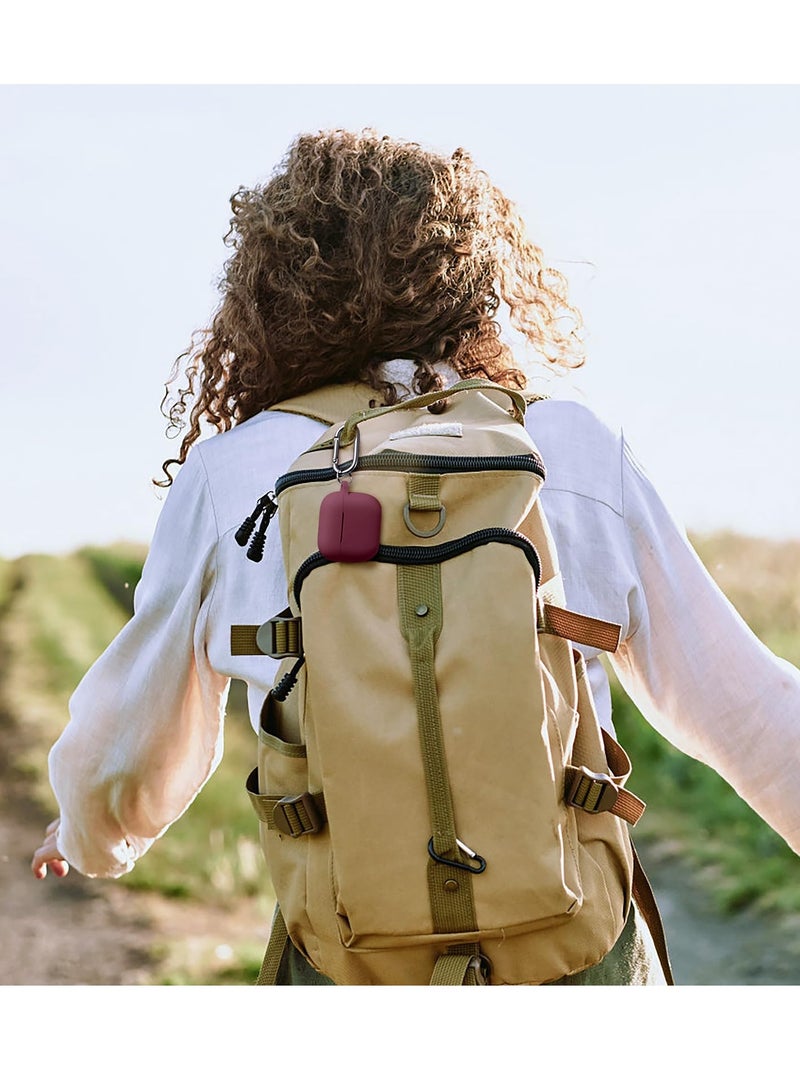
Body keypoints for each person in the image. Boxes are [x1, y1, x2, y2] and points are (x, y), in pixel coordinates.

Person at [31, 128, 800, 985]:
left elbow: (130, 742)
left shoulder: (234, 474)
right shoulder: (569, 446)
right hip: (577, 952)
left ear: (272, 291)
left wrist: (89, 836)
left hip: (350, 959)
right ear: (474, 279)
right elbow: (744, 706)